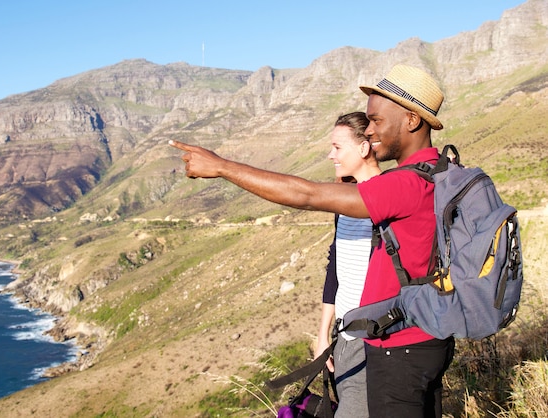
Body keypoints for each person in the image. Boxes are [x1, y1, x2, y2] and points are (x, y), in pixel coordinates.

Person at [170, 64, 456, 418]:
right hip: (420, 340)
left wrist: (222, 167)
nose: (370, 131)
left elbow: (306, 194)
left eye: (377, 121)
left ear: (412, 121)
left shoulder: (405, 185)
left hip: (396, 349)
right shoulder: (439, 172)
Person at [315, 111, 379, 418]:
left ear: (364, 149)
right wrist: (323, 333)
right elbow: (335, 266)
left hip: (372, 342)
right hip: (344, 339)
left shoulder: (387, 199)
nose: (331, 155)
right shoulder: (345, 201)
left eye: (337, 147)